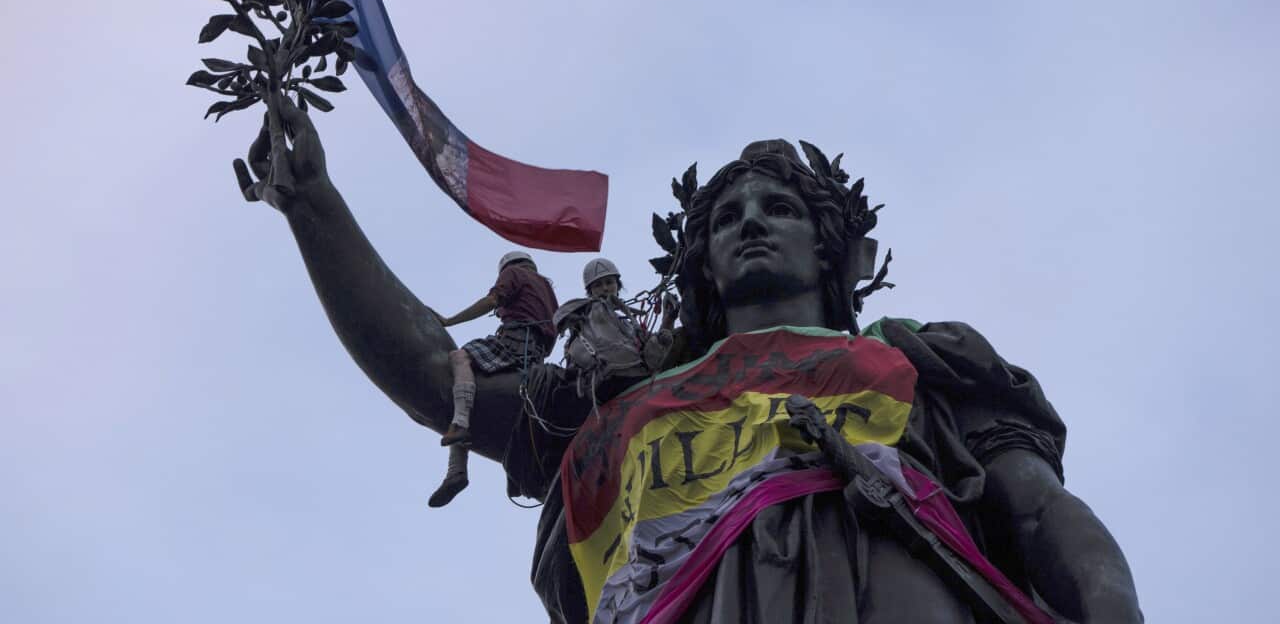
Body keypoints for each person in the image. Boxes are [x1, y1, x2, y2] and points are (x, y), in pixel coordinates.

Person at [231, 100, 1142, 622]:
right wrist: (314, 206)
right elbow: (438, 377)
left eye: (779, 208)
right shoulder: (622, 404)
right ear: (698, 261)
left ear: (833, 248)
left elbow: (1041, 511)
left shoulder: (916, 364)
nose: (750, 222)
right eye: (729, 217)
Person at [429, 250, 559, 507]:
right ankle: (457, 470)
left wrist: (449, 321)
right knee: (468, 386)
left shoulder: (514, 274)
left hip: (513, 342)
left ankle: (460, 426)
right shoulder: (547, 289)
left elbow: (491, 301)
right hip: (536, 357)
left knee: (460, 358)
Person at [553, 258, 679, 397]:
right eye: (598, 285)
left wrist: (668, 320)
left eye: (609, 282)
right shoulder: (586, 318)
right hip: (605, 379)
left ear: (618, 286)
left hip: (637, 376)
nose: (605, 288)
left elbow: (653, 355)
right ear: (590, 292)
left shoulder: (629, 326)